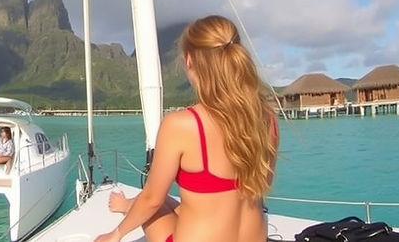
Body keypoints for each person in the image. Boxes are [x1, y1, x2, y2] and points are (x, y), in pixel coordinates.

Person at [95, 15, 279, 242]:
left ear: (189, 60)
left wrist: (116, 234)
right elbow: (261, 186)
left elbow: (152, 199)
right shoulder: (267, 119)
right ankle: (127, 205)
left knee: (153, 199)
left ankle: (127, 208)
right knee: (183, 200)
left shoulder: (182, 124)